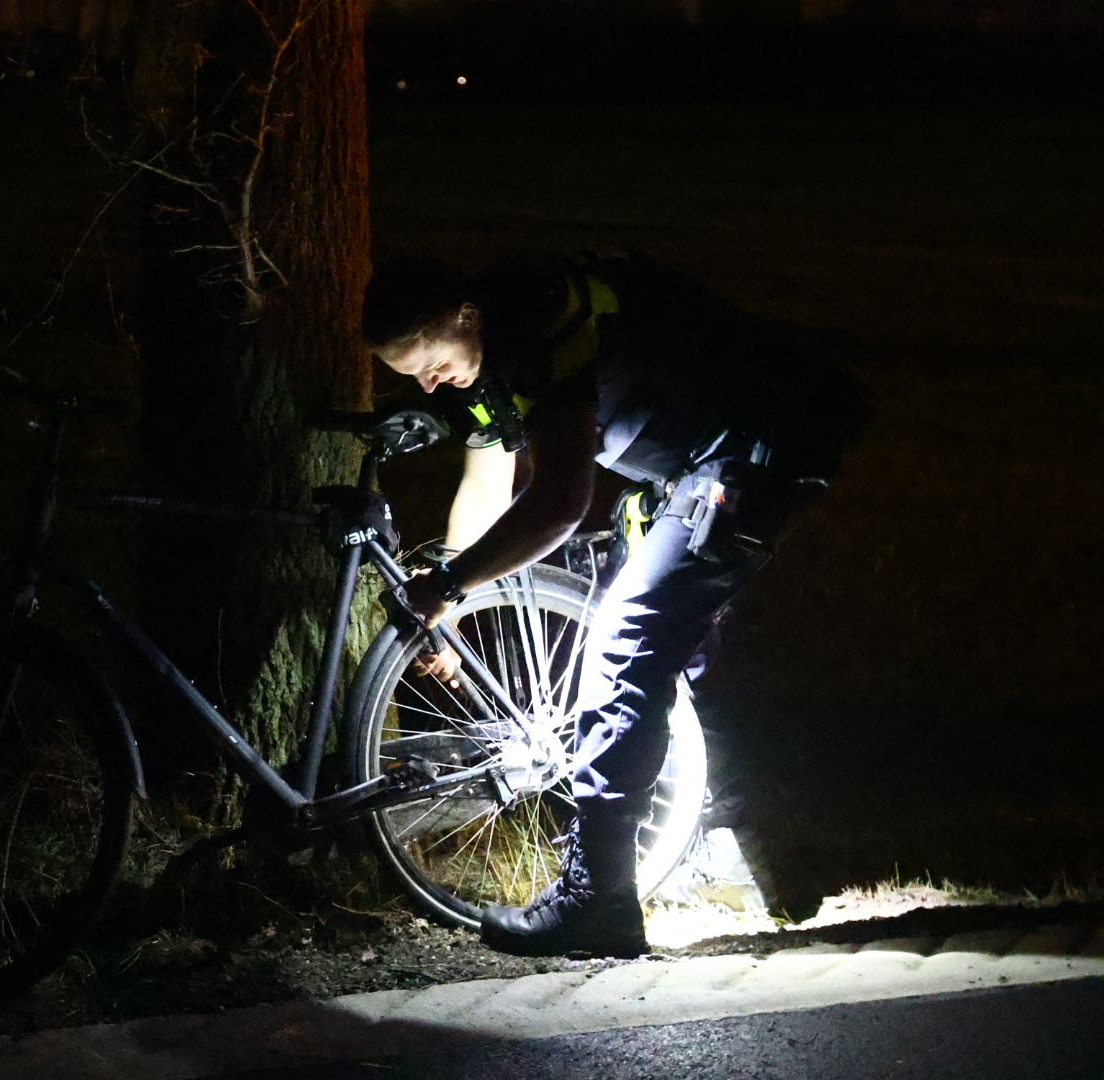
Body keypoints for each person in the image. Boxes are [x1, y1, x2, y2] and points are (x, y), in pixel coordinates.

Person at [362, 252, 869, 958]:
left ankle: (597, 901)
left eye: (431, 362)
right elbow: (488, 483)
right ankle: (712, 844)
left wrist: (450, 586)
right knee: (659, 645)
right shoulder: (483, 362)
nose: (429, 382)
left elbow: (560, 503)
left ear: (466, 317)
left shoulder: (536, 327)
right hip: (688, 462)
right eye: (411, 375)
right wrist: (452, 596)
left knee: (627, 637)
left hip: (759, 444)